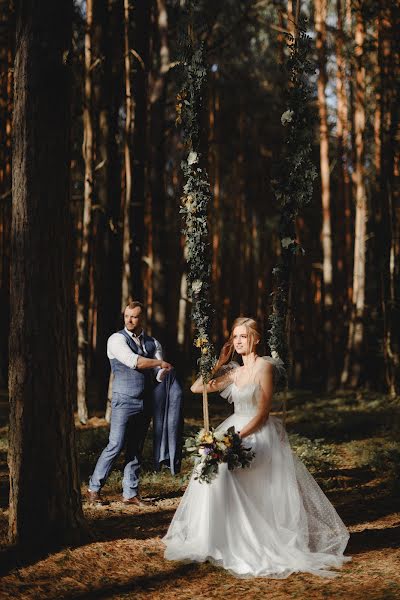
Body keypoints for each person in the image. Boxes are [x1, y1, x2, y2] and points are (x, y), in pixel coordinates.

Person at [163, 317, 351, 578]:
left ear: (257, 338)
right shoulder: (233, 371)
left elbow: (262, 414)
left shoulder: (265, 366)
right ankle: (214, 538)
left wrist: (232, 439)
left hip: (257, 433)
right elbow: (197, 388)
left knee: (223, 467)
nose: (238, 341)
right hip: (233, 430)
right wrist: (218, 362)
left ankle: (244, 540)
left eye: (243, 336)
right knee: (207, 465)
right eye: (235, 337)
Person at [88, 301, 182, 506]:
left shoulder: (153, 343)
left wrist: (164, 372)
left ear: (142, 319)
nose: (129, 320)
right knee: (116, 444)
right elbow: (135, 362)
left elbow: (157, 376)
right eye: (126, 316)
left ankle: (130, 493)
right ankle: (94, 488)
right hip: (123, 400)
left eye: (134, 316)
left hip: (145, 401)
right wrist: (159, 363)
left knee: (135, 447)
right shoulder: (115, 339)